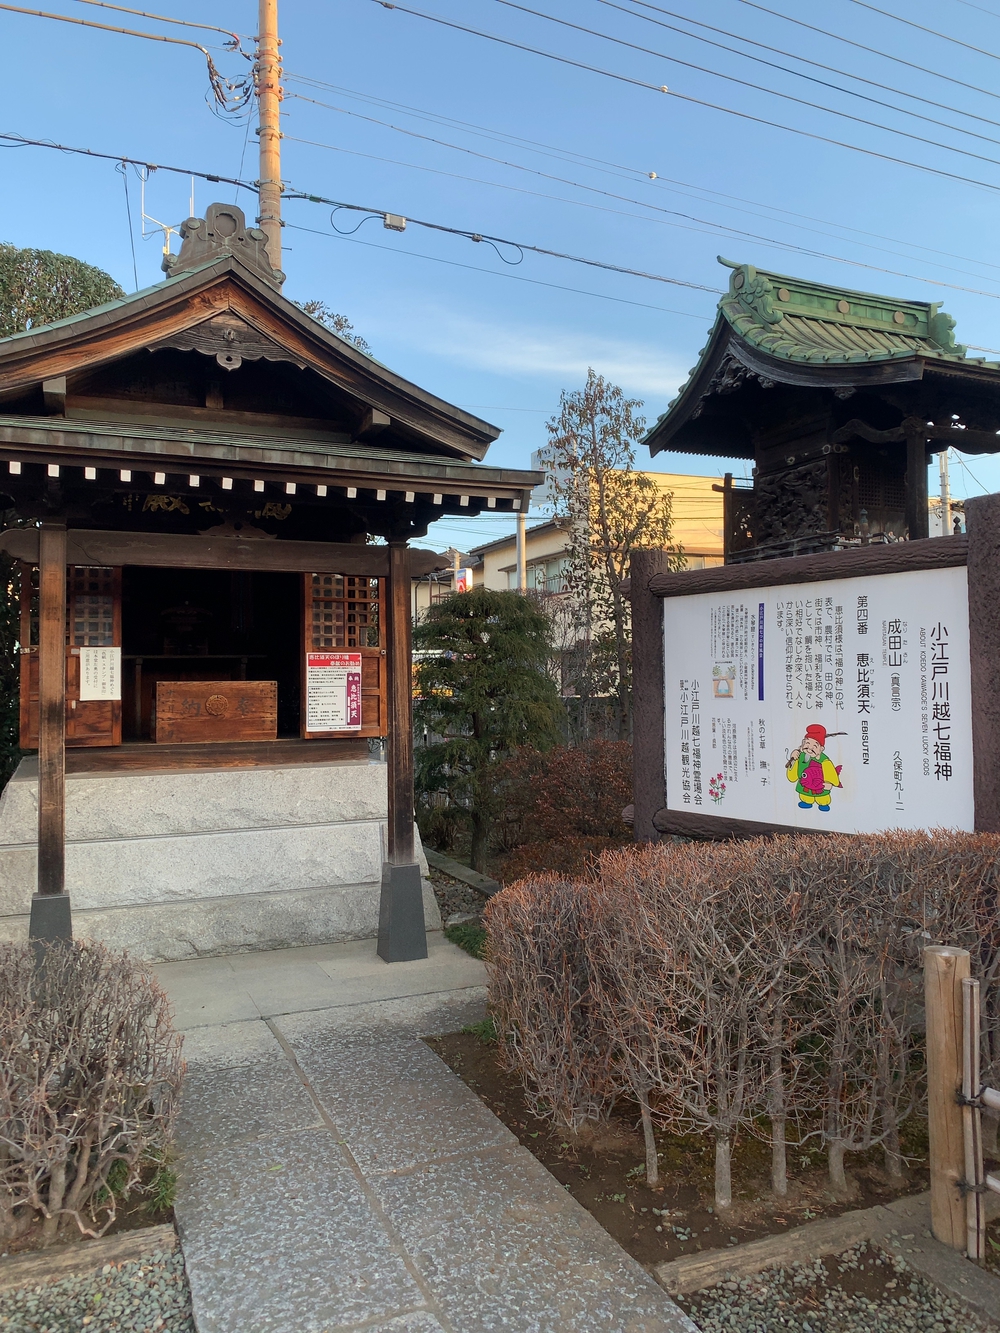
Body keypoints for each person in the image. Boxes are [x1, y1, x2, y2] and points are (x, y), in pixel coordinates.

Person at [786, 723, 844, 812]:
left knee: (823, 799)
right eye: (807, 743)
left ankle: (823, 804)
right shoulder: (800, 756)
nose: (809, 748)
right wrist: (793, 759)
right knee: (805, 797)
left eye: (814, 746)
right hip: (805, 787)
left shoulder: (824, 761)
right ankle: (807, 802)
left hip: (821, 788)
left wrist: (831, 784)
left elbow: (831, 774)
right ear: (803, 743)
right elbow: (793, 776)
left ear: (821, 749)